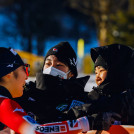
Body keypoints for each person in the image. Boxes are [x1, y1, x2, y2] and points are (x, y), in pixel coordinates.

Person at [15, 41, 90, 124]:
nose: (51, 68)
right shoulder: (25, 92)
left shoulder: (81, 100)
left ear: (71, 73)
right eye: (48, 63)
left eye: (59, 65)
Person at [67, 43, 134, 127]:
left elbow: (112, 103)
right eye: (95, 72)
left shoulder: (128, 97)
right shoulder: (95, 96)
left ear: (116, 71)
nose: (97, 77)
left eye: (101, 70)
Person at [0, 47, 37, 133]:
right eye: (24, 69)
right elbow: (36, 131)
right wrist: (74, 124)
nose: (27, 77)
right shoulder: (4, 103)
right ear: (9, 72)